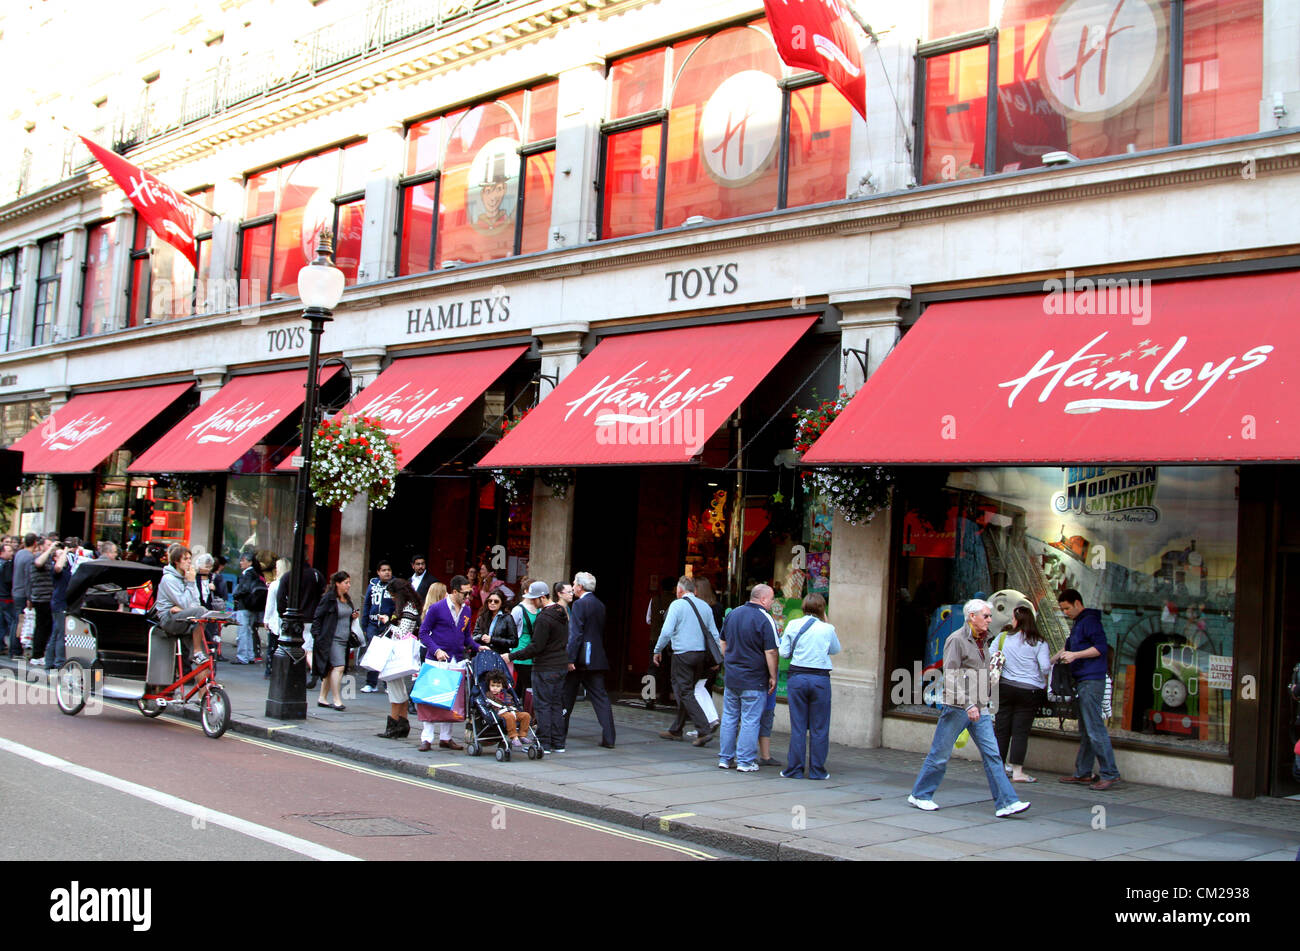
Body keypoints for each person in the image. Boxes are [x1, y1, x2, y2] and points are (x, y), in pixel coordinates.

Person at [908, 599, 1031, 818]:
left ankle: (1006, 802)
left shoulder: (983, 640)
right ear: (971, 617)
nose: (990, 620)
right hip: (958, 706)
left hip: (980, 706)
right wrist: (968, 704)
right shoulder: (956, 640)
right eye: (986, 616)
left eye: (990, 616)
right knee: (940, 754)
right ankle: (920, 795)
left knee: (993, 755)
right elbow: (951, 675)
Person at [1053, 589, 1121, 790]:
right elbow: (1067, 649)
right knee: (1087, 730)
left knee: (1094, 728)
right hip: (1084, 681)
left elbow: (1100, 647)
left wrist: (1075, 656)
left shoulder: (1090, 621)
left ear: (1077, 603)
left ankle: (1110, 772)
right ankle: (1083, 773)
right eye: (1063, 609)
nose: (1065, 612)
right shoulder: (1079, 623)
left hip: (1091, 681)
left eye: (1067, 608)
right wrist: (1053, 659)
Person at [653, 575, 723, 745]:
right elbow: (714, 633)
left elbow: (667, 631)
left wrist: (657, 649)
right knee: (688, 691)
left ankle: (703, 729)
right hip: (700, 656)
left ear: (680, 590)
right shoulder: (705, 606)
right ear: (695, 590)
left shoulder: (676, 605)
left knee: (684, 692)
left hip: (682, 654)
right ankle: (676, 729)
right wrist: (719, 657)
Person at [717, 584, 779, 772]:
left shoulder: (733, 614)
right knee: (750, 719)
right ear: (763, 599)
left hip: (732, 676)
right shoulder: (765, 618)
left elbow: (723, 641)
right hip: (754, 678)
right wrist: (773, 675)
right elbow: (771, 651)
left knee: (729, 717)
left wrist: (728, 662)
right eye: (772, 599)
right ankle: (745, 761)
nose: (772, 602)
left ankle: (725, 758)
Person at [778, 593, 841, 780]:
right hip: (820, 679)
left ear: (804, 606)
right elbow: (836, 650)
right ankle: (817, 770)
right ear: (822, 609)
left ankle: (794, 769)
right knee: (819, 727)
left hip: (797, 677)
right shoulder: (827, 628)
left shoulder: (793, 625)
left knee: (798, 726)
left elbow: (783, 652)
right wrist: (827, 623)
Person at [416, 574, 479, 751]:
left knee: (451, 701)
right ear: (454, 591)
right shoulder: (437, 608)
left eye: (469, 594)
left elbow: (466, 637)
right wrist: (436, 650)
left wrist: (478, 647)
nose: (468, 598)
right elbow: (423, 633)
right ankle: (426, 739)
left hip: (456, 660)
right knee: (431, 699)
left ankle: (446, 738)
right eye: (465, 594)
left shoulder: (466, 610)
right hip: (436, 660)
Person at [507, 584, 570, 753]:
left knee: (542, 705)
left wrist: (512, 656)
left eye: (534, 599)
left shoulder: (544, 618)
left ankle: (545, 743)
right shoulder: (561, 612)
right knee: (556, 704)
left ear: (542, 597)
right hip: (560, 665)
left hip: (544, 667)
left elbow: (536, 647)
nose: (532, 603)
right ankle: (559, 743)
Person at [993, 605, 1052, 783]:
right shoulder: (1040, 642)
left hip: (1005, 687)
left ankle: (998, 768)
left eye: (1013, 618)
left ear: (1017, 620)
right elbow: (1045, 667)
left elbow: (991, 656)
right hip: (1029, 690)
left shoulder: (1003, 637)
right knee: (1020, 731)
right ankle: (1018, 772)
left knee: (1002, 729)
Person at [563, 571, 616, 749]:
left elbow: (576, 634)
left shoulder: (579, 605)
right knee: (600, 697)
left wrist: (570, 658)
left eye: (574, 583)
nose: (572, 586)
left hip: (580, 658)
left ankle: (559, 733)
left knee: (567, 696)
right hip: (596, 657)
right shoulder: (599, 604)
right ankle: (609, 736)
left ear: (580, 586)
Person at [376, 578, 419, 741]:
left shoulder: (408, 608)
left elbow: (402, 633)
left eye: (393, 596)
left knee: (394, 688)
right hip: (401, 653)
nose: (392, 599)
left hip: (397, 653)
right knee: (398, 688)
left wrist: (389, 623)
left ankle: (393, 725)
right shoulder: (411, 606)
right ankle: (403, 723)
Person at [154, 545, 211, 665]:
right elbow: (185, 604)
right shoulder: (168, 579)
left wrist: (185, 608)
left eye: (190, 558)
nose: (189, 561)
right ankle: (196, 651)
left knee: (205, 660)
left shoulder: (188, 576)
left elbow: (196, 602)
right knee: (202, 611)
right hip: (168, 619)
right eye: (185, 559)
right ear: (176, 561)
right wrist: (190, 582)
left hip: (185, 616)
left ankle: (205, 682)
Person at [276, 557, 326, 688]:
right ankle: (308, 671)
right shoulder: (316, 574)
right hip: (313, 616)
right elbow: (323, 593)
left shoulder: (288, 577)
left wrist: (283, 614)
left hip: (297, 617)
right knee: (307, 646)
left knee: (304, 648)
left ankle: (315, 672)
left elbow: (280, 599)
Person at [312, 570, 357, 711]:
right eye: (346, 583)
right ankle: (337, 699)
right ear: (337, 583)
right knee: (339, 667)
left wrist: (353, 616)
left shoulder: (347, 599)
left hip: (344, 639)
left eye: (349, 582)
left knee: (330, 668)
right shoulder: (329, 598)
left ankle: (322, 698)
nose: (349, 585)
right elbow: (318, 616)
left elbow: (345, 616)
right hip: (331, 639)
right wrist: (317, 635)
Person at [360, 560, 395, 693]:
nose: (387, 572)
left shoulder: (395, 585)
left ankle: (387, 684)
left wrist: (393, 621)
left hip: (388, 625)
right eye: (384, 570)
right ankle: (371, 683)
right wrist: (364, 624)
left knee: (388, 654)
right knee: (373, 653)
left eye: (389, 570)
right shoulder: (373, 585)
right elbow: (367, 604)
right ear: (378, 572)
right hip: (373, 624)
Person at [509, 580, 547, 694]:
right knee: (527, 684)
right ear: (526, 591)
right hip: (521, 648)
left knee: (522, 686)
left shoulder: (540, 608)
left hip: (535, 650)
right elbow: (511, 630)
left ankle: (522, 708)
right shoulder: (518, 609)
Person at [27, 536, 56, 667]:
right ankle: (37, 655)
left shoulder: (49, 559)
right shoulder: (38, 557)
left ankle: (41, 653)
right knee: (41, 627)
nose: (51, 547)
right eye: (48, 544)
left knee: (47, 627)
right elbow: (39, 563)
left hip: (49, 597)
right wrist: (50, 550)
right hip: (41, 597)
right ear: (40, 546)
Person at [483, 671, 532, 749]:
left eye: (498, 686)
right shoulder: (489, 695)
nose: (495, 688)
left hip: (511, 711)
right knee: (509, 716)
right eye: (492, 685)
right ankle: (514, 737)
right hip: (499, 712)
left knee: (526, 715)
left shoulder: (507, 695)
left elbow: (512, 703)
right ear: (489, 686)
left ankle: (522, 735)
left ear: (502, 687)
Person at [231, 551, 264, 665]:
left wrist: (236, 594)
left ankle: (242, 657)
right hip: (253, 607)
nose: (241, 562)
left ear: (249, 562)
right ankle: (250, 655)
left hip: (244, 605)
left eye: (243, 560)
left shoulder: (247, 574)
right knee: (249, 631)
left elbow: (243, 589)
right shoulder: (256, 574)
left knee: (242, 632)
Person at [0, 540, 15, 658]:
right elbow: (9, 581)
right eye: (9, 551)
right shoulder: (6, 565)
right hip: (6, 598)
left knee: (2, 623)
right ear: (2, 553)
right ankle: (12, 648)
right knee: (11, 623)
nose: (12, 553)